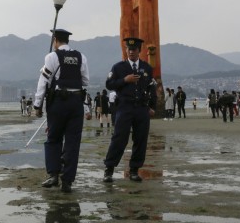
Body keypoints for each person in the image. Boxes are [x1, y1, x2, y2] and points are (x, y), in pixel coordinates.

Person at [33, 29, 90, 194]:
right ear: (68, 40)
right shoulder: (81, 57)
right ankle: (68, 182)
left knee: (53, 138)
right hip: (76, 103)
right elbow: (85, 80)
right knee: (72, 142)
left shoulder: (51, 57)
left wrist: (38, 106)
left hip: (58, 103)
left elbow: (43, 82)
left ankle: (53, 175)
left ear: (55, 40)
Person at [103, 37, 157, 183]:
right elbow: (109, 84)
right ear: (126, 50)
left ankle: (134, 170)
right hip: (124, 107)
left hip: (141, 108)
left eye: (134, 50)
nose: (131, 52)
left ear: (139, 51)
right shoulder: (118, 67)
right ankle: (109, 169)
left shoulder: (146, 68)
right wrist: (124, 80)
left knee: (140, 139)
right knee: (119, 138)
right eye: (128, 49)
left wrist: (152, 106)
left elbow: (152, 88)